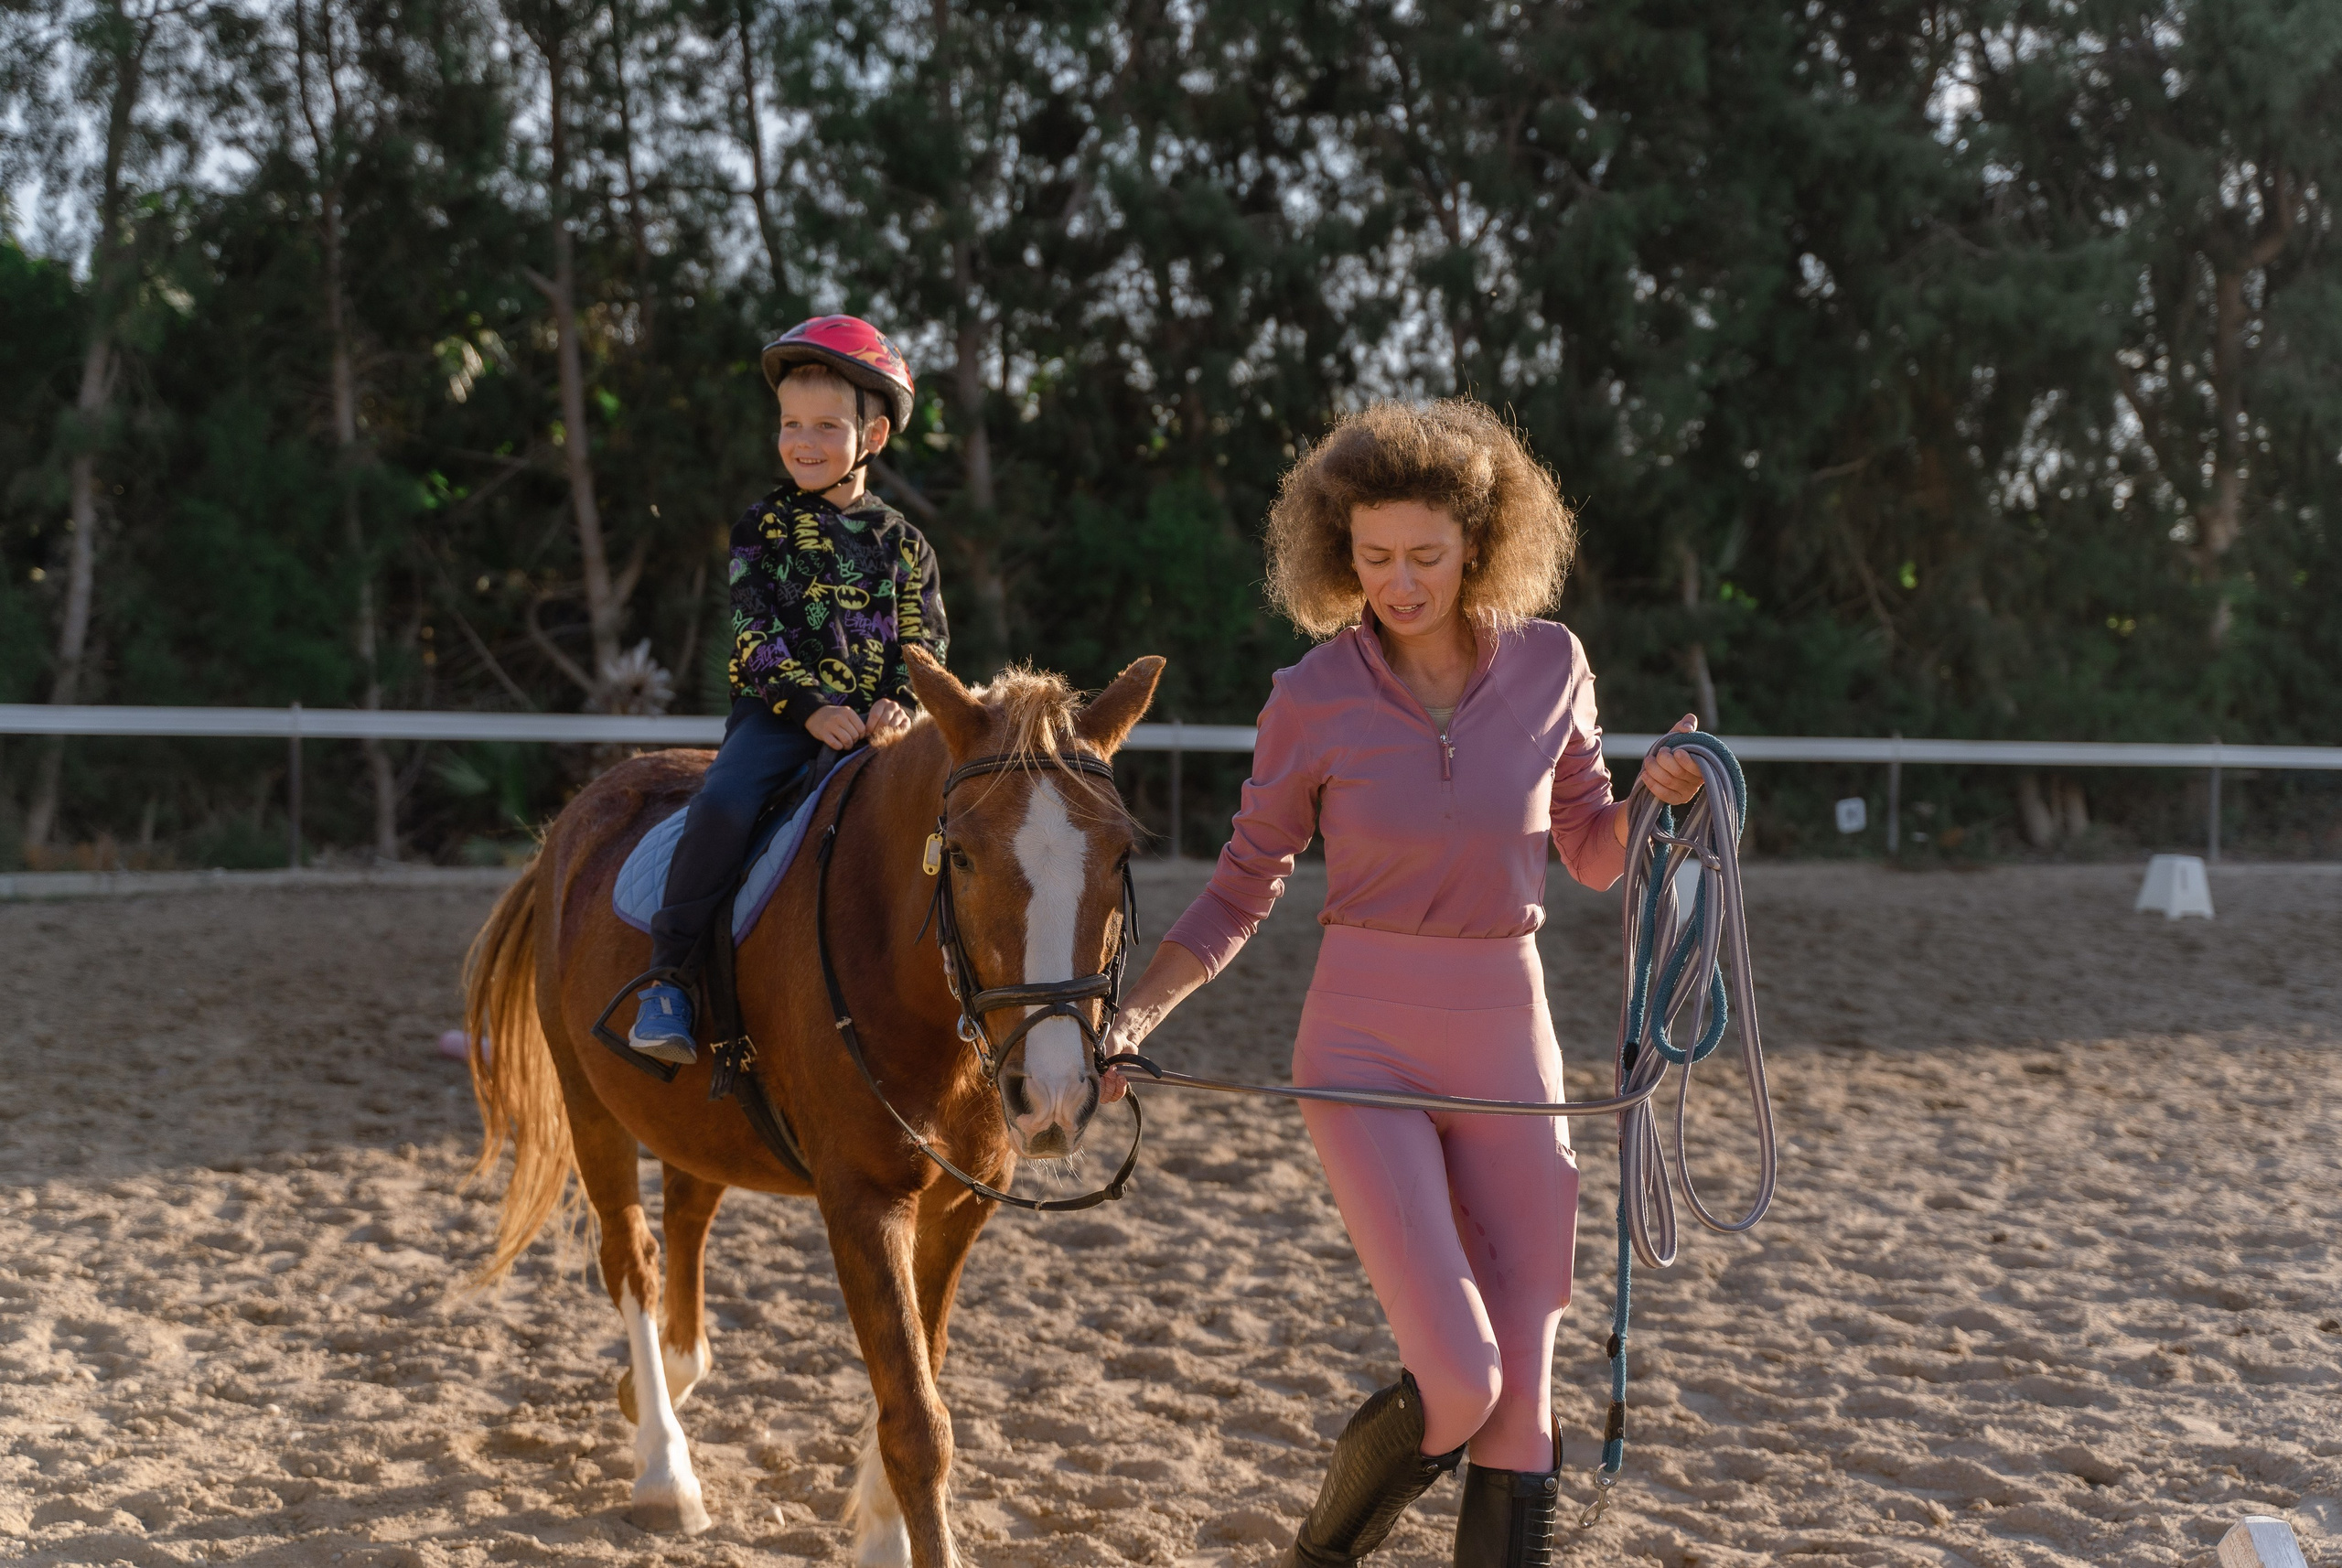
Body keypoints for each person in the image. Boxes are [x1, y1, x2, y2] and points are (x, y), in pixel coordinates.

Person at [1098, 401, 1705, 1566]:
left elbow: (1589, 851)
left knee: (1521, 1398)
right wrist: (1129, 1016)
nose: (1400, 580)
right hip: (1360, 1048)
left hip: (1508, 1041)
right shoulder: (1311, 696)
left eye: (1425, 553)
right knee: (1459, 1378)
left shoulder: (1550, 663)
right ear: (1340, 551)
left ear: (1477, 540)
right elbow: (1241, 885)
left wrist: (1656, 796)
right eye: (1373, 556)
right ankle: (1320, 1555)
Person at [628, 316, 948, 1063]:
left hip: (880, 727)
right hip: (779, 719)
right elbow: (756, 637)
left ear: (871, 439)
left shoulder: (907, 545)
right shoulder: (762, 528)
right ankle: (669, 981)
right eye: (789, 423)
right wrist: (812, 709)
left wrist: (898, 700)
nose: (801, 441)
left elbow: (924, 641)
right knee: (723, 804)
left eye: (825, 426)